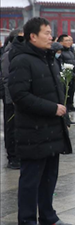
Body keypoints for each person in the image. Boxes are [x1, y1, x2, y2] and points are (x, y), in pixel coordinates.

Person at [9, 17, 72, 225]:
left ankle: (48, 216)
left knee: (49, 178)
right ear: (32, 36)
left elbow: (56, 90)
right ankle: (27, 220)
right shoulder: (21, 60)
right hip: (33, 131)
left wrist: (64, 115)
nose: (50, 36)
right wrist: (52, 108)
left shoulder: (49, 58)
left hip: (52, 129)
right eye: (46, 32)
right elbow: (19, 95)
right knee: (30, 181)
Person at [1, 29, 24, 170]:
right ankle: (12, 157)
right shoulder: (8, 55)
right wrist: (12, 99)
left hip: (20, 98)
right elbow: (7, 79)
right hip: (11, 99)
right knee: (11, 128)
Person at [58, 34, 75, 112]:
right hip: (67, 76)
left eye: (69, 40)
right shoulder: (61, 53)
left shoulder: (70, 52)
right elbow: (62, 66)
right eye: (66, 41)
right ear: (61, 42)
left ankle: (71, 105)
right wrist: (72, 75)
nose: (69, 42)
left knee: (72, 91)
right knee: (66, 93)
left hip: (73, 76)